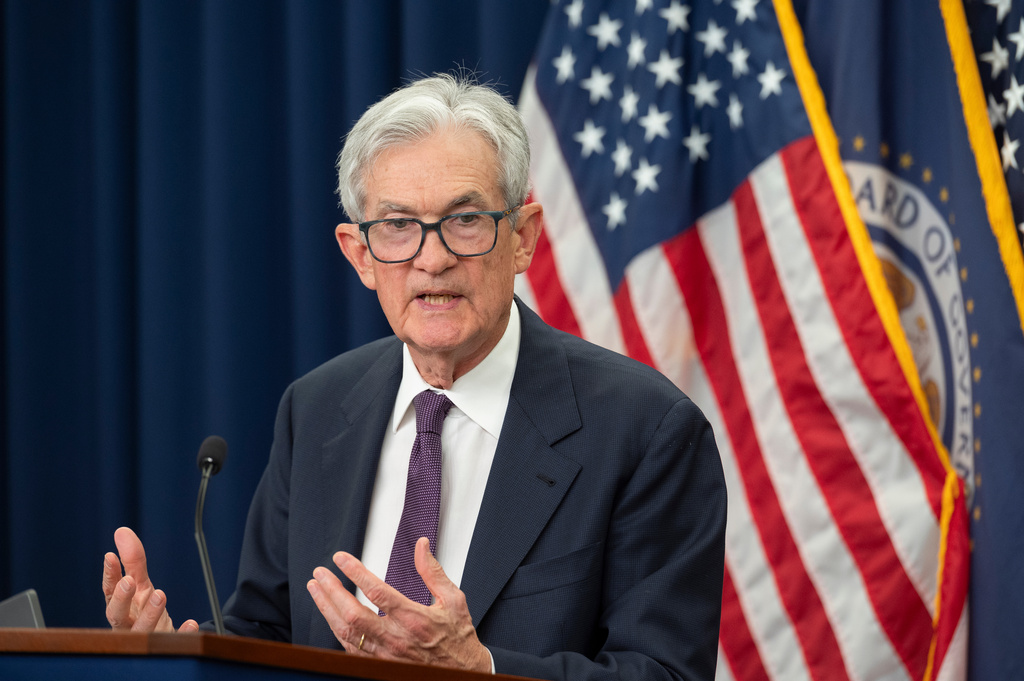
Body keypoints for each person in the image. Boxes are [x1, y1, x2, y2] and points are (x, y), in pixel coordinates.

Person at [102, 74, 727, 680]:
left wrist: (478, 670)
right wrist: (183, 663)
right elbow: (267, 635)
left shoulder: (647, 431)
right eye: (398, 226)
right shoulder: (315, 409)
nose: (433, 259)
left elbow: (662, 674)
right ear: (360, 254)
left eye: (465, 220)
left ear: (523, 238)